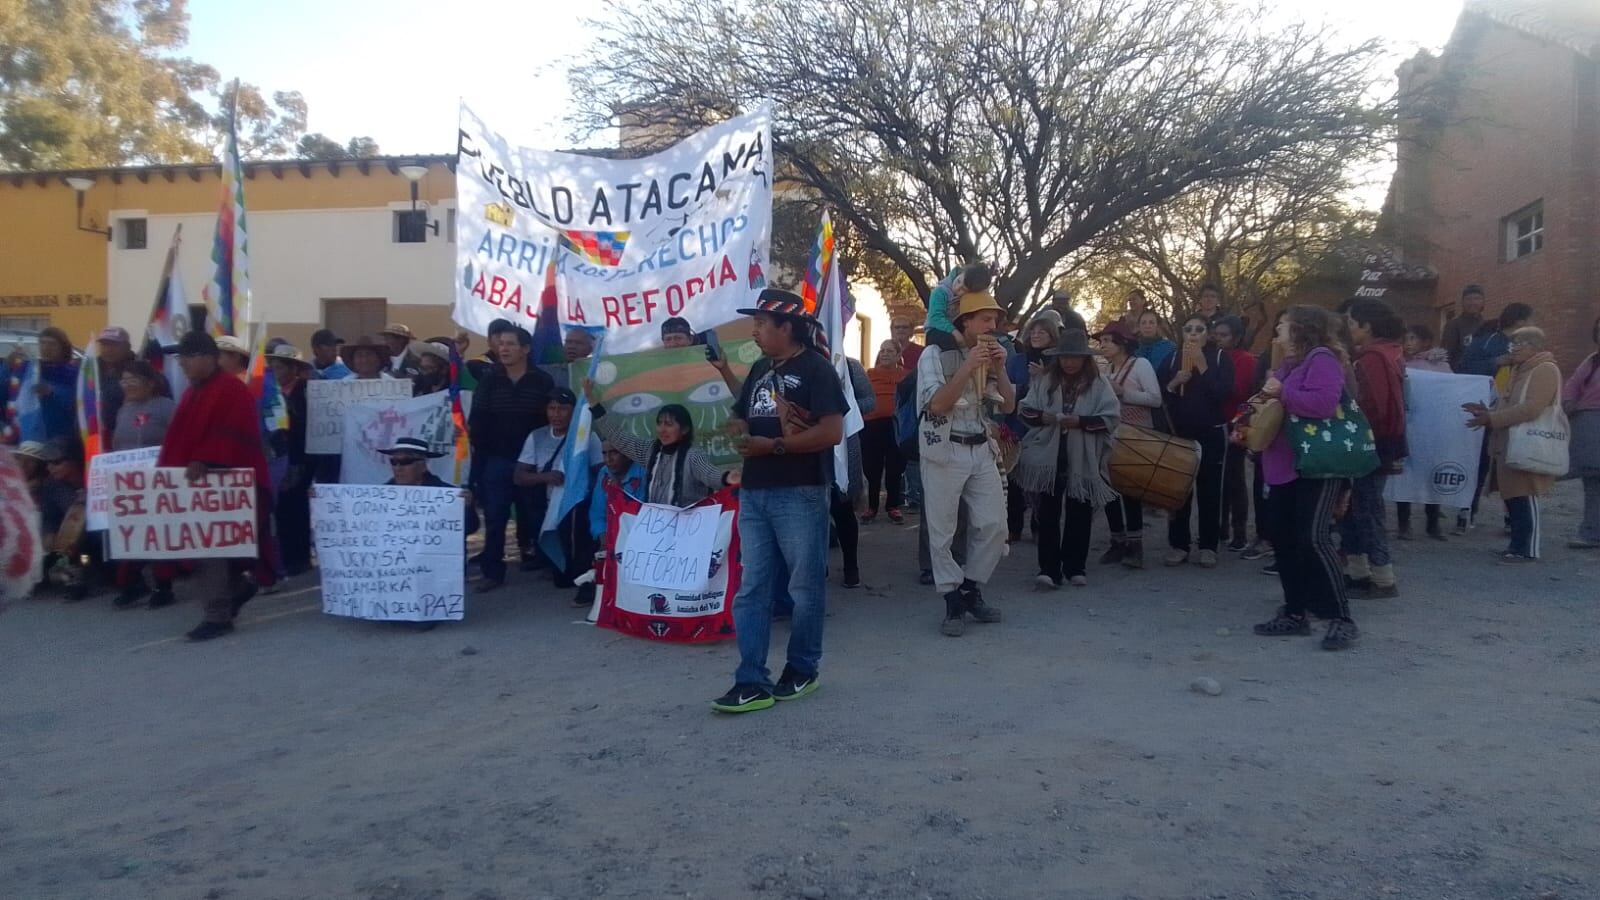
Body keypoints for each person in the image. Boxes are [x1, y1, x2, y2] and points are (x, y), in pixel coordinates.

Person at [712, 288, 847, 714]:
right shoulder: (760, 368)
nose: (754, 331)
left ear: (786, 327)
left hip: (800, 492)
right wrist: (739, 431)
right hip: (755, 491)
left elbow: (832, 432)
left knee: (804, 588)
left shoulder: (817, 369)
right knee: (752, 588)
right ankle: (750, 679)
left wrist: (773, 446)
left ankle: (803, 668)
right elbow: (742, 413)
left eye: (760, 323)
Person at [157, 331, 277, 642]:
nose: (182, 364)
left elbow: (237, 436)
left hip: (223, 484)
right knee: (213, 550)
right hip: (198, 487)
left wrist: (206, 459)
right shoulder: (192, 392)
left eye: (187, 357)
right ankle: (236, 590)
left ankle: (217, 615)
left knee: (209, 549)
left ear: (206, 358)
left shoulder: (231, 390)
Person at [1252, 306, 1360, 651]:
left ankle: (1341, 617)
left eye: (1282, 325)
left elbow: (1324, 404)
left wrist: (1280, 392)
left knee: (1314, 538)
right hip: (1285, 465)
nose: (1277, 332)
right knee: (1283, 539)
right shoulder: (1290, 364)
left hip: (1316, 464)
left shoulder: (1322, 359)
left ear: (1301, 329)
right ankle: (1295, 611)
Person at [916, 289, 1015, 637]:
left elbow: (1009, 406)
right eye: (985, 320)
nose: (992, 326)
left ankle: (970, 588)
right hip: (944, 447)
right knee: (942, 530)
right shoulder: (933, 354)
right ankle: (951, 600)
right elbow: (937, 405)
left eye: (995, 320)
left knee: (994, 524)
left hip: (980, 446)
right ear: (966, 322)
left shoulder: (994, 353)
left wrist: (1000, 369)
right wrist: (968, 366)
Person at [1016, 330, 1119, 588]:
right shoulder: (1045, 380)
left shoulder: (1099, 384)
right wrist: (1045, 417)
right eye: (1065, 357)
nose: (1069, 362)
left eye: (1075, 357)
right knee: (1047, 513)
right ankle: (1049, 569)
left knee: (1080, 511)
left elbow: (1111, 418)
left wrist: (1080, 422)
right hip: (1049, 455)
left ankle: (1075, 567)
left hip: (1083, 455)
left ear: (1085, 358)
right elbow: (1025, 410)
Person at [468, 321, 553, 591]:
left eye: (510, 344)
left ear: (525, 349)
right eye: (501, 344)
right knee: (495, 517)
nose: (503, 349)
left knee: (535, 514)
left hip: (531, 462)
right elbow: (477, 421)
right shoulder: (490, 380)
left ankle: (547, 564)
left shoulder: (542, 381)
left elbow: (548, 422)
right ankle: (492, 572)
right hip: (496, 460)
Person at [1465, 326, 1562, 563]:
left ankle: (1528, 549)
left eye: (1520, 344)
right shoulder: (1519, 369)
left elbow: (1532, 408)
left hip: (1528, 442)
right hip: (1510, 442)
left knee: (1525, 494)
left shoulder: (1545, 369)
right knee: (1513, 496)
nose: (1514, 349)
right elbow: (1511, 404)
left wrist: (1493, 419)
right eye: (1513, 344)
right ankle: (1516, 546)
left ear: (1535, 346)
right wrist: (1488, 412)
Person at [1157, 314, 1233, 567]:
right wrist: (1174, 383)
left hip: (1211, 433)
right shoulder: (1172, 358)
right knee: (1178, 491)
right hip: (1179, 433)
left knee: (1210, 490)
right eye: (1188, 329)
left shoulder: (1220, 358)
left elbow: (1223, 394)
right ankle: (1179, 544)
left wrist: (1202, 366)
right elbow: (1159, 394)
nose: (1193, 333)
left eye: (1199, 329)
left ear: (1207, 334)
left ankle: (1208, 545)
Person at [1343, 300, 1408, 598]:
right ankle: (1358, 572)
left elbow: (1374, 406)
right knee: (1356, 508)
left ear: (1366, 326)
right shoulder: (1390, 352)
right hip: (1381, 441)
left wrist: (1350, 421)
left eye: (1351, 323)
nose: (1348, 328)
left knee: (1367, 509)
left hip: (1371, 442)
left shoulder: (1372, 357)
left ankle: (1383, 578)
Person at [108, 362, 179, 607]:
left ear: (150, 383)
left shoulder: (166, 407)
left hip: (159, 480)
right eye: (124, 380)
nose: (127, 385)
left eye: (133, 380)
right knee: (130, 532)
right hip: (130, 484)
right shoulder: (124, 410)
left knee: (158, 533)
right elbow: (118, 445)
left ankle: (163, 586)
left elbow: (178, 439)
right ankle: (132, 583)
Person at [587, 385, 731, 506]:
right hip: (656, 526)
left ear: (685, 429)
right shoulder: (650, 451)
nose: (662, 429)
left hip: (690, 526)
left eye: (668, 424)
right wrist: (593, 403)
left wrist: (727, 477)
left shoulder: (693, 456)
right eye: (659, 423)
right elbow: (618, 437)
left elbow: (710, 474)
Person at [1457, 302, 1532, 533]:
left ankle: (1513, 519)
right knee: (1479, 463)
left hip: (1515, 412)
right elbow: (1464, 368)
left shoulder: (1529, 346)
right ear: (1520, 321)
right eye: (1531, 319)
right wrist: (1497, 362)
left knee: (1513, 466)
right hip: (1486, 409)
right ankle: (1467, 511)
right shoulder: (1487, 341)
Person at [1093, 322, 1160, 567]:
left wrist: (1123, 392)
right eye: (1102, 341)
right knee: (1108, 490)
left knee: (1131, 491)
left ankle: (1135, 546)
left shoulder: (1140, 365)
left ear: (1121, 343)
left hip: (1136, 436)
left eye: (1107, 341)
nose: (1102, 345)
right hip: (1110, 436)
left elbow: (1155, 399)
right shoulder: (1106, 368)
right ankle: (1117, 541)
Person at [1004, 309, 1065, 541]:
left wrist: (1043, 377)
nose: (1036, 335)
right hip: (1017, 426)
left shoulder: (1059, 363)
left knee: (1041, 480)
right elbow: (1007, 389)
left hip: (1045, 430)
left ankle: (1039, 526)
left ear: (1052, 335)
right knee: (1014, 478)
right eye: (1033, 331)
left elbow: (1062, 396)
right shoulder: (1017, 361)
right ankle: (1013, 527)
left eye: (1042, 332)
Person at [1396, 323, 1450, 541]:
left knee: (1432, 475)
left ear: (1426, 341)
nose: (1408, 343)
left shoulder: (1440, 365)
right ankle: (1403, 524)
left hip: (1432, 429)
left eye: (1413, 338)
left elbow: (1450, 391)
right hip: (1408, 426)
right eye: (1406, 339)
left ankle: (1433, 523)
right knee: (1404, 475)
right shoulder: (1400, 363)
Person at [265, 346, 314, 576]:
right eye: (273, 367)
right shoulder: (270, 392)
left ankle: (300, 557)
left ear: (294, 368)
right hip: (279, 456)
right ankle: (286, 556)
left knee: (298, 507)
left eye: (280, 367)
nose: (276, 372)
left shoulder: (307, 391)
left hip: (302, 456)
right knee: (282, 508)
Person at [580, 440, 646, 607]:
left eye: (614, 453)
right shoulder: (604, 473)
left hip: (638, 534)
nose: (608, 459)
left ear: (627, 454)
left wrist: (619, 492)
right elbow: (597, 513)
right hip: (611, 534)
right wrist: (603, 538)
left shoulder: (643, 472)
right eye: (604, 453)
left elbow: (642, 511)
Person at [1213, 315, 1257, 552]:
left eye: (1224, 335)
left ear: (1237, 337)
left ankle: (1239, 532)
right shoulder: (1215, 356)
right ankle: (1220, 528)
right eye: (1217, 335)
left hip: (1237, 424)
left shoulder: (1245, 360)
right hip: (1215, 422)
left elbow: (1242, 393)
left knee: (1235, 478)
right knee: (1217, 478)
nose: (1219, 339)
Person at [861, 341, 907, 523]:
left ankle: (893, 506)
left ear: (898, 355)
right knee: (872, 467)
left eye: (889, 351)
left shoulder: (906, 375)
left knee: (895, 467)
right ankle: (872, 507)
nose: (885, 354)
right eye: (882, 350)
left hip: (895, 426)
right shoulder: (869, 374)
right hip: (871, 426)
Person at [1566, 317, 1600, 549]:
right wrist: (1569, 403)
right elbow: (1573, 385)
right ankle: (1591, 532)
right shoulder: (1591, 360)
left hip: (1591, 421)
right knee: (1593, 480)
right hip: (1588, 425)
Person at [33, 327, 79, 443]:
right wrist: (9, 368)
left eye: (52, 344)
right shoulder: (34, 370)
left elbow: (76, 402)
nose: (46, 348)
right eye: (42, 343)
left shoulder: (73, 372)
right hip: (32, 435)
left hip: (61, 437)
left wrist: (52, 392)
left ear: (62, 347)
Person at [95, 327, 139, 435]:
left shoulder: (140, 370)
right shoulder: (90, 369)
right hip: (93, 435)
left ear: (127, 347)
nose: (108, 349)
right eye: (104, 344)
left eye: (114, 345)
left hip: (127, 434)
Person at [1442, 285, 1487, 373]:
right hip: (1460, 375)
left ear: (1483, 302)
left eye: (1477, 298)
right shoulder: (1453, 325)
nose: (1473, 302)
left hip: (1483, 376)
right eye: (1468, 299)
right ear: (1462, 302)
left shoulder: (1488, 326)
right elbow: (1446, 356)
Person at [1134, 310, 1177, 376]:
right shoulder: (1133, 349)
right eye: (1143, 323)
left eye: (1151, 322)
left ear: (1157, 326)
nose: (1147, 326)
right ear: (1139, 327)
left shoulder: (1170, 347)